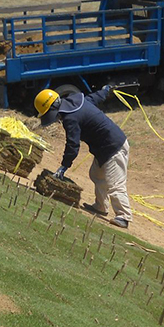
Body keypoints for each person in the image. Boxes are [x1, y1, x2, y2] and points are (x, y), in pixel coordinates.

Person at [35, 86, 132, 229]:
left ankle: (124, 216)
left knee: (115, 183)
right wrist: (105, 90)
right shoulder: (77, 101)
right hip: (103, 148)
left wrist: (64, 166)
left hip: (114, 147)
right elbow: (96, 97)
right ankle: (101, 206)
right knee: (97, 174)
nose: (55, 119)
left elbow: (73, 145)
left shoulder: (70, 118)